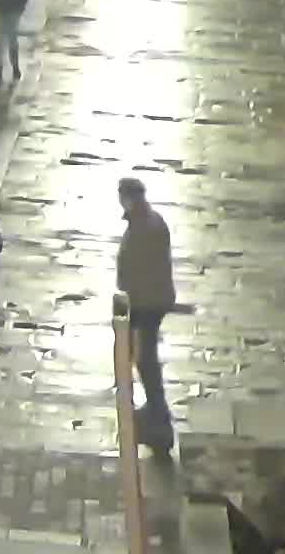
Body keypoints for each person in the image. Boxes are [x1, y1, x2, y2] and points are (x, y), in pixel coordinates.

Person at [115, 176, 176, 443]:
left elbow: (143, 271)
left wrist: (130, 306)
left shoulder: (144, 227)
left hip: (147, 303)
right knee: (145, 358)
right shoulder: (146, 221)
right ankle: (154, 412)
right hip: (149, 300)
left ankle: (159, 420)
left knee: (145, 360)